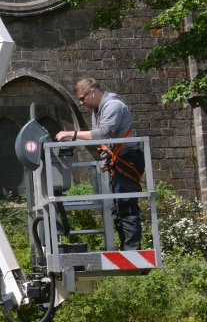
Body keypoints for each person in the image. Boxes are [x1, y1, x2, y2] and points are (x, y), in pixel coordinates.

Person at [55, 78, 145, 250]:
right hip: (118, 162)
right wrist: (72, 138)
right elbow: (97, 138)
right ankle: (126, 249)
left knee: (126, 206)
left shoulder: (113, 106)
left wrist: (73, 134)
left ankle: (132, 251)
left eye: (82, 98)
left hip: (128, 159)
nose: (81, 103)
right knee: (117, 209)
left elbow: (104, 133)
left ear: (93, 91)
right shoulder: (97, 111)